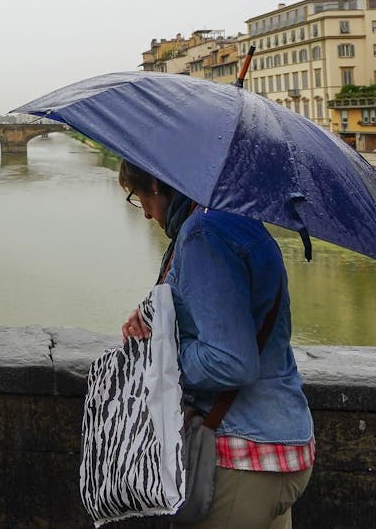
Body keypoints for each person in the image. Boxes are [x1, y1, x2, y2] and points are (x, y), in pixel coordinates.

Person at [117, 160, 315, 529]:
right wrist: (153, 315)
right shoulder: (235, 221)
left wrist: (161, 353)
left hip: (238, 455)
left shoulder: (204, 234)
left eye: (138, 196)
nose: (143, 213)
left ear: (157, 185)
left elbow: (229, 362)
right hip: (280, 445)